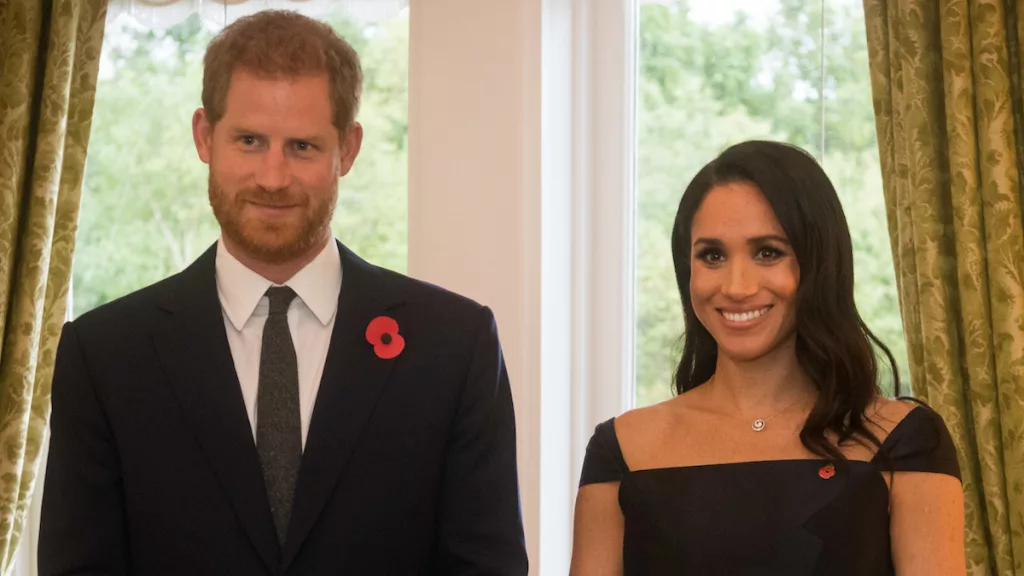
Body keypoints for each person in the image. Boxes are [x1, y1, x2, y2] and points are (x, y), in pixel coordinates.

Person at [39, 10, 527, 575]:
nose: (273, 177)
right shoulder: (104, 357)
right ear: (204, 136)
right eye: (249, 140)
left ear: (348, 149)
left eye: (302, 146)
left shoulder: (454, 347)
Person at [570, 141, 964, 575]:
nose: (737, 286)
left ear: (819, 263)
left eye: (768, 253)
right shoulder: (621, 448)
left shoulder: (904, 441)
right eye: (713, 255)